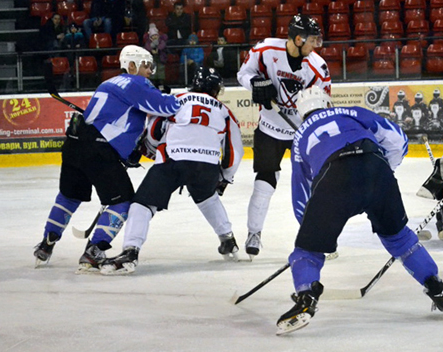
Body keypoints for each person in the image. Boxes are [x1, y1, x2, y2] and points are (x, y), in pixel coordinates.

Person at [275, 86, 443, 335]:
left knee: (307, 251)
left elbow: (301, 192)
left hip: (334, 177)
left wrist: (312, 233)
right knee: (399, 237)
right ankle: (436, 288)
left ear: (301, 113)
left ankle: (306, 298)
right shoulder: (351, 112)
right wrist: (383, 171)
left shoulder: (299, 138)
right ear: (328, 104)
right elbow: (397, 138)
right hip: (376, 168)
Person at [33, 45, 180, 271]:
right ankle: (94, 250)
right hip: (98, 150)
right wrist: (184, 97)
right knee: (122, 202)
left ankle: (46, 243)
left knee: (69, 196)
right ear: (131, 65)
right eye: (146, 65)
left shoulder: (107, 83)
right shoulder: (135, 82)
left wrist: (126, 150)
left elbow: (110, 120)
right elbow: (167, 107)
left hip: (75, 143)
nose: (150, 71)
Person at [99, 67, 244, 275]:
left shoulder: (176, 99)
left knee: (143, 203)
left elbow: (154, 131)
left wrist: (145, 151)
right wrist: (224, 177)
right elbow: (233, 148)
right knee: (208, 197)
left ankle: (130, 251)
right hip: (207, 165)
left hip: (173, 160)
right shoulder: (224, 110)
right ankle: (228, 240)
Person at [236, 14, 331, 259]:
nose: (315, 46)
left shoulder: (318, 66)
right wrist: (255, 83)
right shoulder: (265, 50)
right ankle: (253, 233)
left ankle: (316, 236)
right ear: (298, 39)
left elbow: (324, 103)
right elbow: (243, 74)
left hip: (302, 132)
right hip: (270, 128)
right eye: (312, 40)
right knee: (265, 182)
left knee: (313, 184)